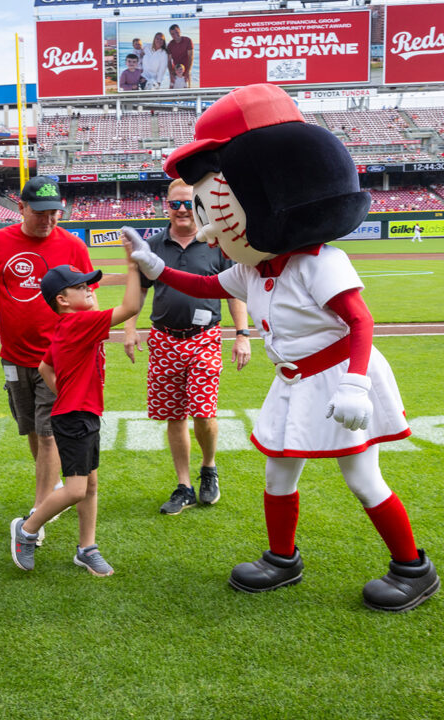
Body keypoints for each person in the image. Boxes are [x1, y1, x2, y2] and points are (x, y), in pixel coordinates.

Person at [126, 83, 438, 612]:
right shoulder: (255, 268)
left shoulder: (319, 261)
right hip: (294, 379)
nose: (207, 225)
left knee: (363, 478)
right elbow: (206, 286)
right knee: (277, 470)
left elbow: (360, 323)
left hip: (339, 375)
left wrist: (357, 385)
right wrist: (155, 267)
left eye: (214, 206)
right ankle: (281, 557)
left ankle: (413, 567)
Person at [0, 176, 97, 519]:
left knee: (47, 435)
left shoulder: (73, 246)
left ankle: (39, 512)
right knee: (31, 429)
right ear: (21, 207)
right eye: (41, 212)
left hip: (57, 359)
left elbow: (89, 298)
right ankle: (52, 487)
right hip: (14, 357)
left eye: (55, 212)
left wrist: (90, 341)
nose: (49, 220)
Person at [124, 179, 250, 515]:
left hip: (204, 337)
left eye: (186, 204)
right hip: (164, 339)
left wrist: (242, 333)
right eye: (174, 204)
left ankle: (208, 467)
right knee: (173, 415)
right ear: (166, 206)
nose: (181, 210)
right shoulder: (152, 244)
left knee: (204, 412)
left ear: (197, 206)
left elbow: (235, 290)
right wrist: (130, 327)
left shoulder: (217, 244)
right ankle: (184, 486)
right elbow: (139, 289)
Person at [10, 252, 140, 576]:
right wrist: (134, 266)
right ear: (63, 299)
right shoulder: (80, 322)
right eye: (82, 287)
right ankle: (26, 530)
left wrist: (66, 394)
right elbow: (131, 308)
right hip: (75, 417)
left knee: (90, 484)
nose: (90, 290)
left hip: (80, 413)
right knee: (77, 489)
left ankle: (87, 548)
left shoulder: (67, 325)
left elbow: (44, 366)